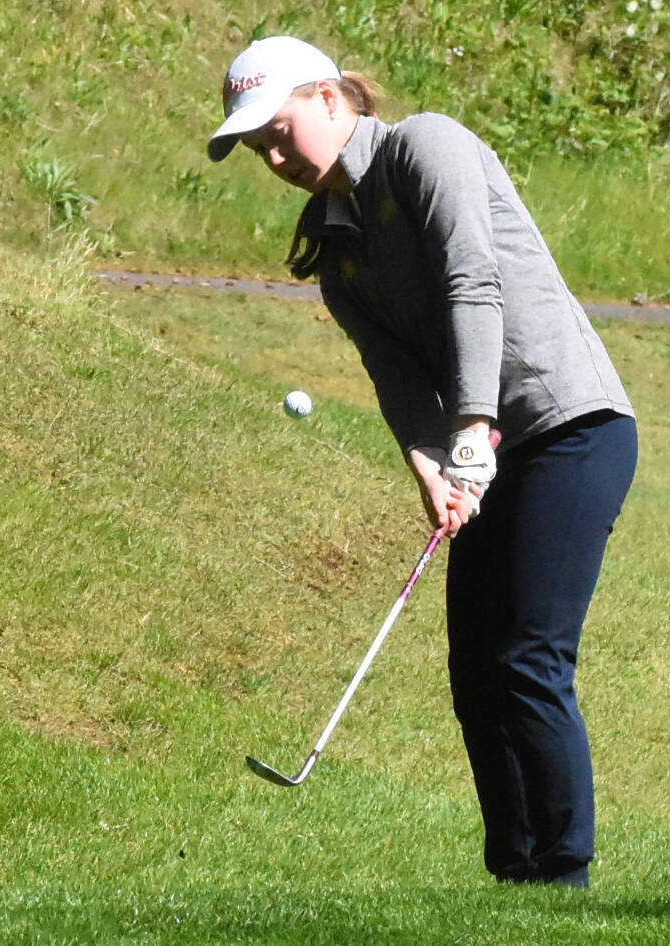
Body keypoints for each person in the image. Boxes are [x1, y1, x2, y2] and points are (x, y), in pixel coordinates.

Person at [208, 36, 638, 889]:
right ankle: (513, 874)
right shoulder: (336, 255)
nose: (277, 156)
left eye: (282, 130)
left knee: (528, 656)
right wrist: (430, 464)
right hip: (482, 455)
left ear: (331, 97)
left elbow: (471, 283)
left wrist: (472, 427)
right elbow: (396, 376)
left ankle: (562, 872)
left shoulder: (425, 146)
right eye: (260, 148)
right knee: (474, 668)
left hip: (567, 426)